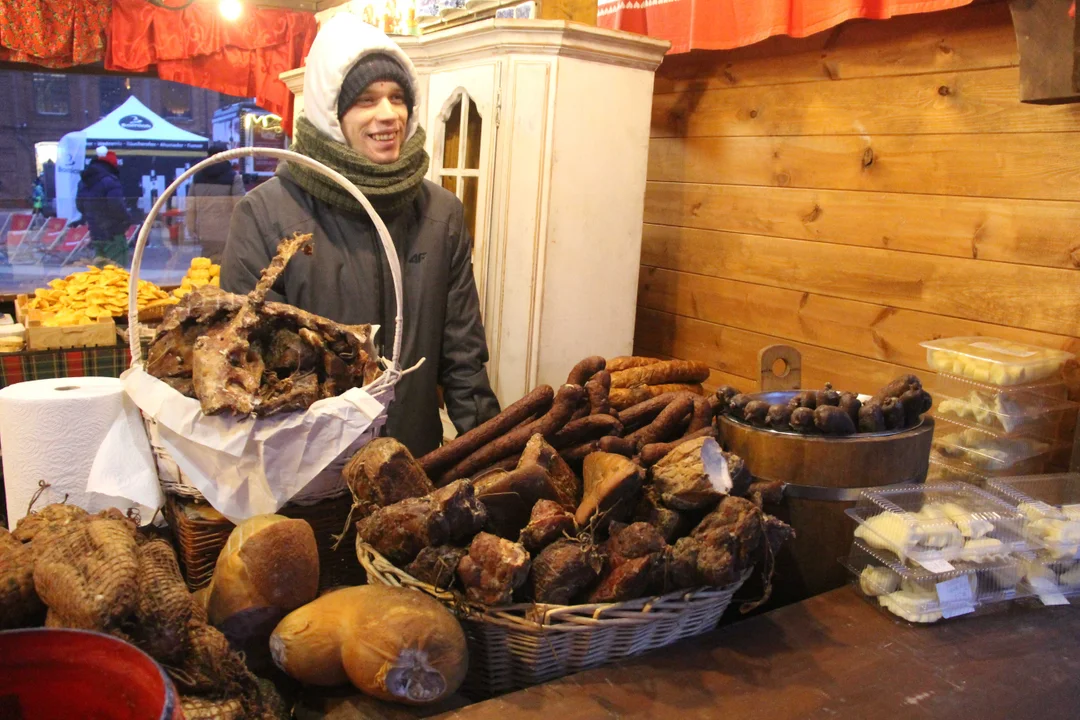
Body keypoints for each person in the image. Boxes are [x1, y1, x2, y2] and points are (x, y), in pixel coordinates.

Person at [222, 15, 500, 457]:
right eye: (366, 100)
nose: (388, 114)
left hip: (415, 462)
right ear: (332, 114)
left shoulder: (440, 214)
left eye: (397, 97)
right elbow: (240, 366)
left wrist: (494, 461)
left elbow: (464, 358)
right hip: (309, 477)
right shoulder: (263, 216)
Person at [186, 142, 246, 263]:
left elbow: (191, 206)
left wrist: (191, 227)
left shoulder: (197, 176)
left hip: (204, 230)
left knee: (206, 264)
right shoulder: (233, 177)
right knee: (225, 264)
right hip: (226, 231)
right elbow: (240, 206)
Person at [76, 146, 130, 265]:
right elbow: (116, 205)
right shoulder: (110, 180)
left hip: (95, 231)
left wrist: (93, 218)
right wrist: (127, 219)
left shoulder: (84, 182)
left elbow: (80, 205)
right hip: (113, 232)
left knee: (99, 271)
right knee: (116, 271)